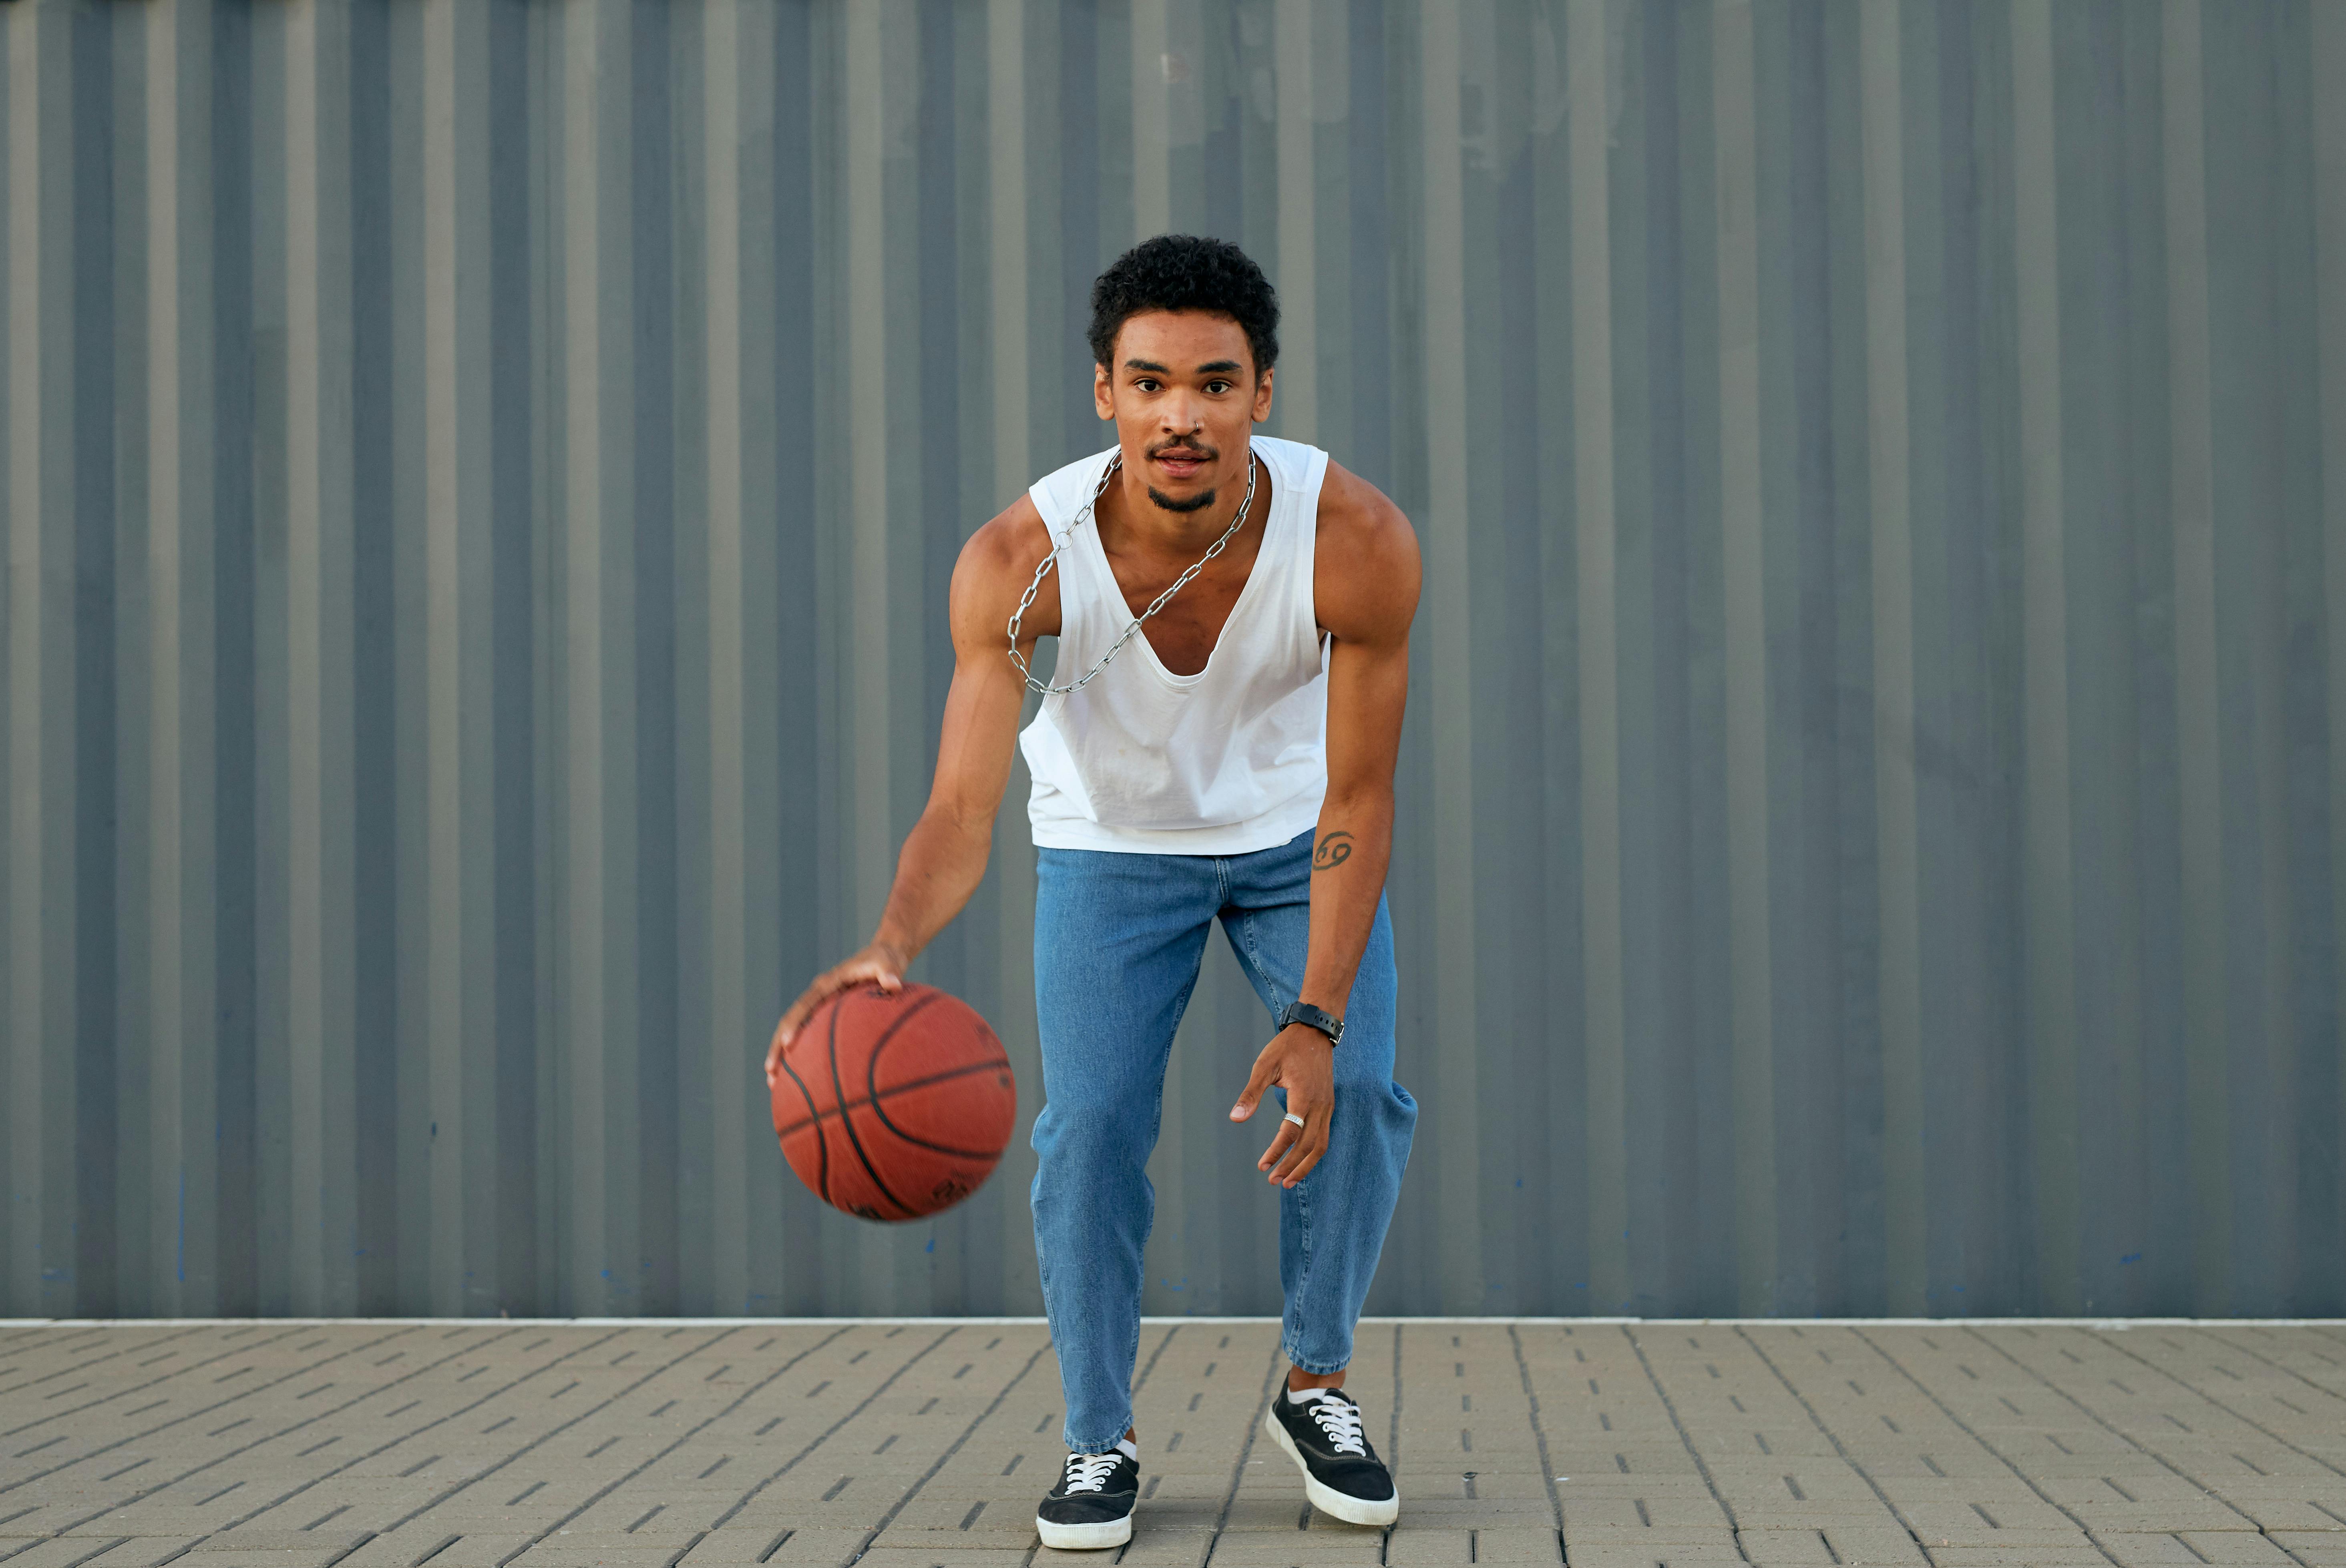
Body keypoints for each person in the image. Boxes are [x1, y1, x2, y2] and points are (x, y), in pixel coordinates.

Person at [765, 235, 1420, 1548]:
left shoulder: (1352, 537)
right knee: (1092, 1135)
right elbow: (962, 805)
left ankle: (1317, 1385)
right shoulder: (1022, 559)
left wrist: (1318, 1012)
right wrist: (892, 944)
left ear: (1263, 395)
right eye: (1152, 381)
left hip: (1295, 836)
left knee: (1351, 1088)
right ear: (1106, 393)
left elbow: (1357, 797)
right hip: (1111, 848)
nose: (1183, 414)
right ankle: (1097, 1439)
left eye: (1216, 384)